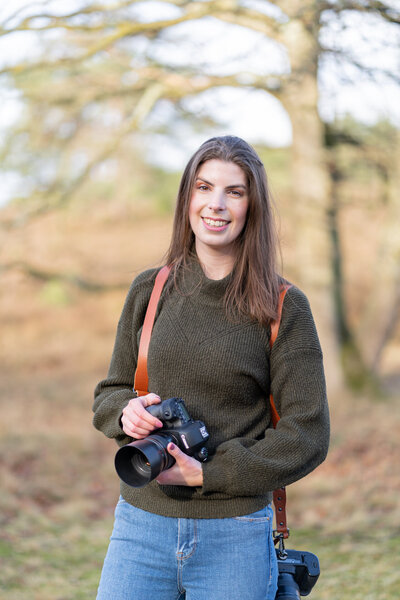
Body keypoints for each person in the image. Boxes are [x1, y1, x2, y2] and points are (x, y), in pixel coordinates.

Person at [92, 135, 330, 600]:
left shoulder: (284, 307)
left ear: (252, 206)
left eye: (234, 192)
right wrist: (126, 413)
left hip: (235, 533)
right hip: (141, 525)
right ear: (188, 198)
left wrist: (212, 473)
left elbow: (308, 433)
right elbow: (110, 390)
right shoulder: (151, 289)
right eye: (204, 188)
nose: (215, 204)